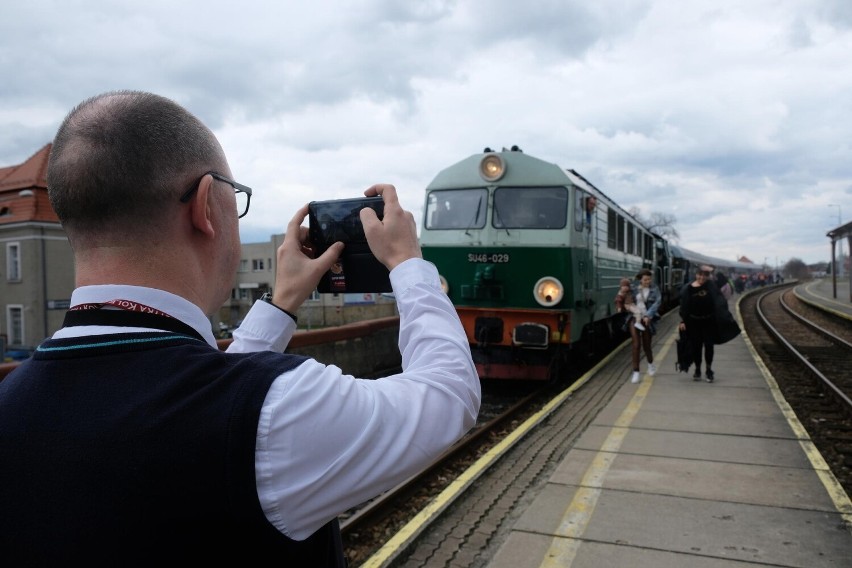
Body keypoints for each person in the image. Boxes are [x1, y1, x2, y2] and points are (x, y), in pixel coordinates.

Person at [0, 91, 481, 566]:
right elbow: (447, 395)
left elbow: (193, 396)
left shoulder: (12, 402)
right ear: (205, 205)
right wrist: (408, 265)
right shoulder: (276, 408)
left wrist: (283, 303)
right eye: (238, 196)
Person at [678, 265, 739, 383]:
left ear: (708, 277)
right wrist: (683, 321)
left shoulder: (711, 286)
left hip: (709, 321)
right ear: (696, 275)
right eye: (700, 275)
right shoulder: (688, 288)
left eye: (705, 275)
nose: (702, 277)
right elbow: (684, 307)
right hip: (693, 322)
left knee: (709, 346)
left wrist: (723, 317)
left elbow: (720, 301)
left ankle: (709, 370)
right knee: (696, 347)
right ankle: (697, 370)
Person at [625, 268, 661, 384]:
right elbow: (627, 300)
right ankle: (636, 372)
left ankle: (650, 364)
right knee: (636, 345)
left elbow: (657, 303)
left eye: (649, 279)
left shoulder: (654, 289)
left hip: (647, 319)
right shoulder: (634, 288)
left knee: (647, 345)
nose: (648, 281)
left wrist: (648, 316)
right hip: (635, 318)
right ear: (640, 279)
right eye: (645, 279)